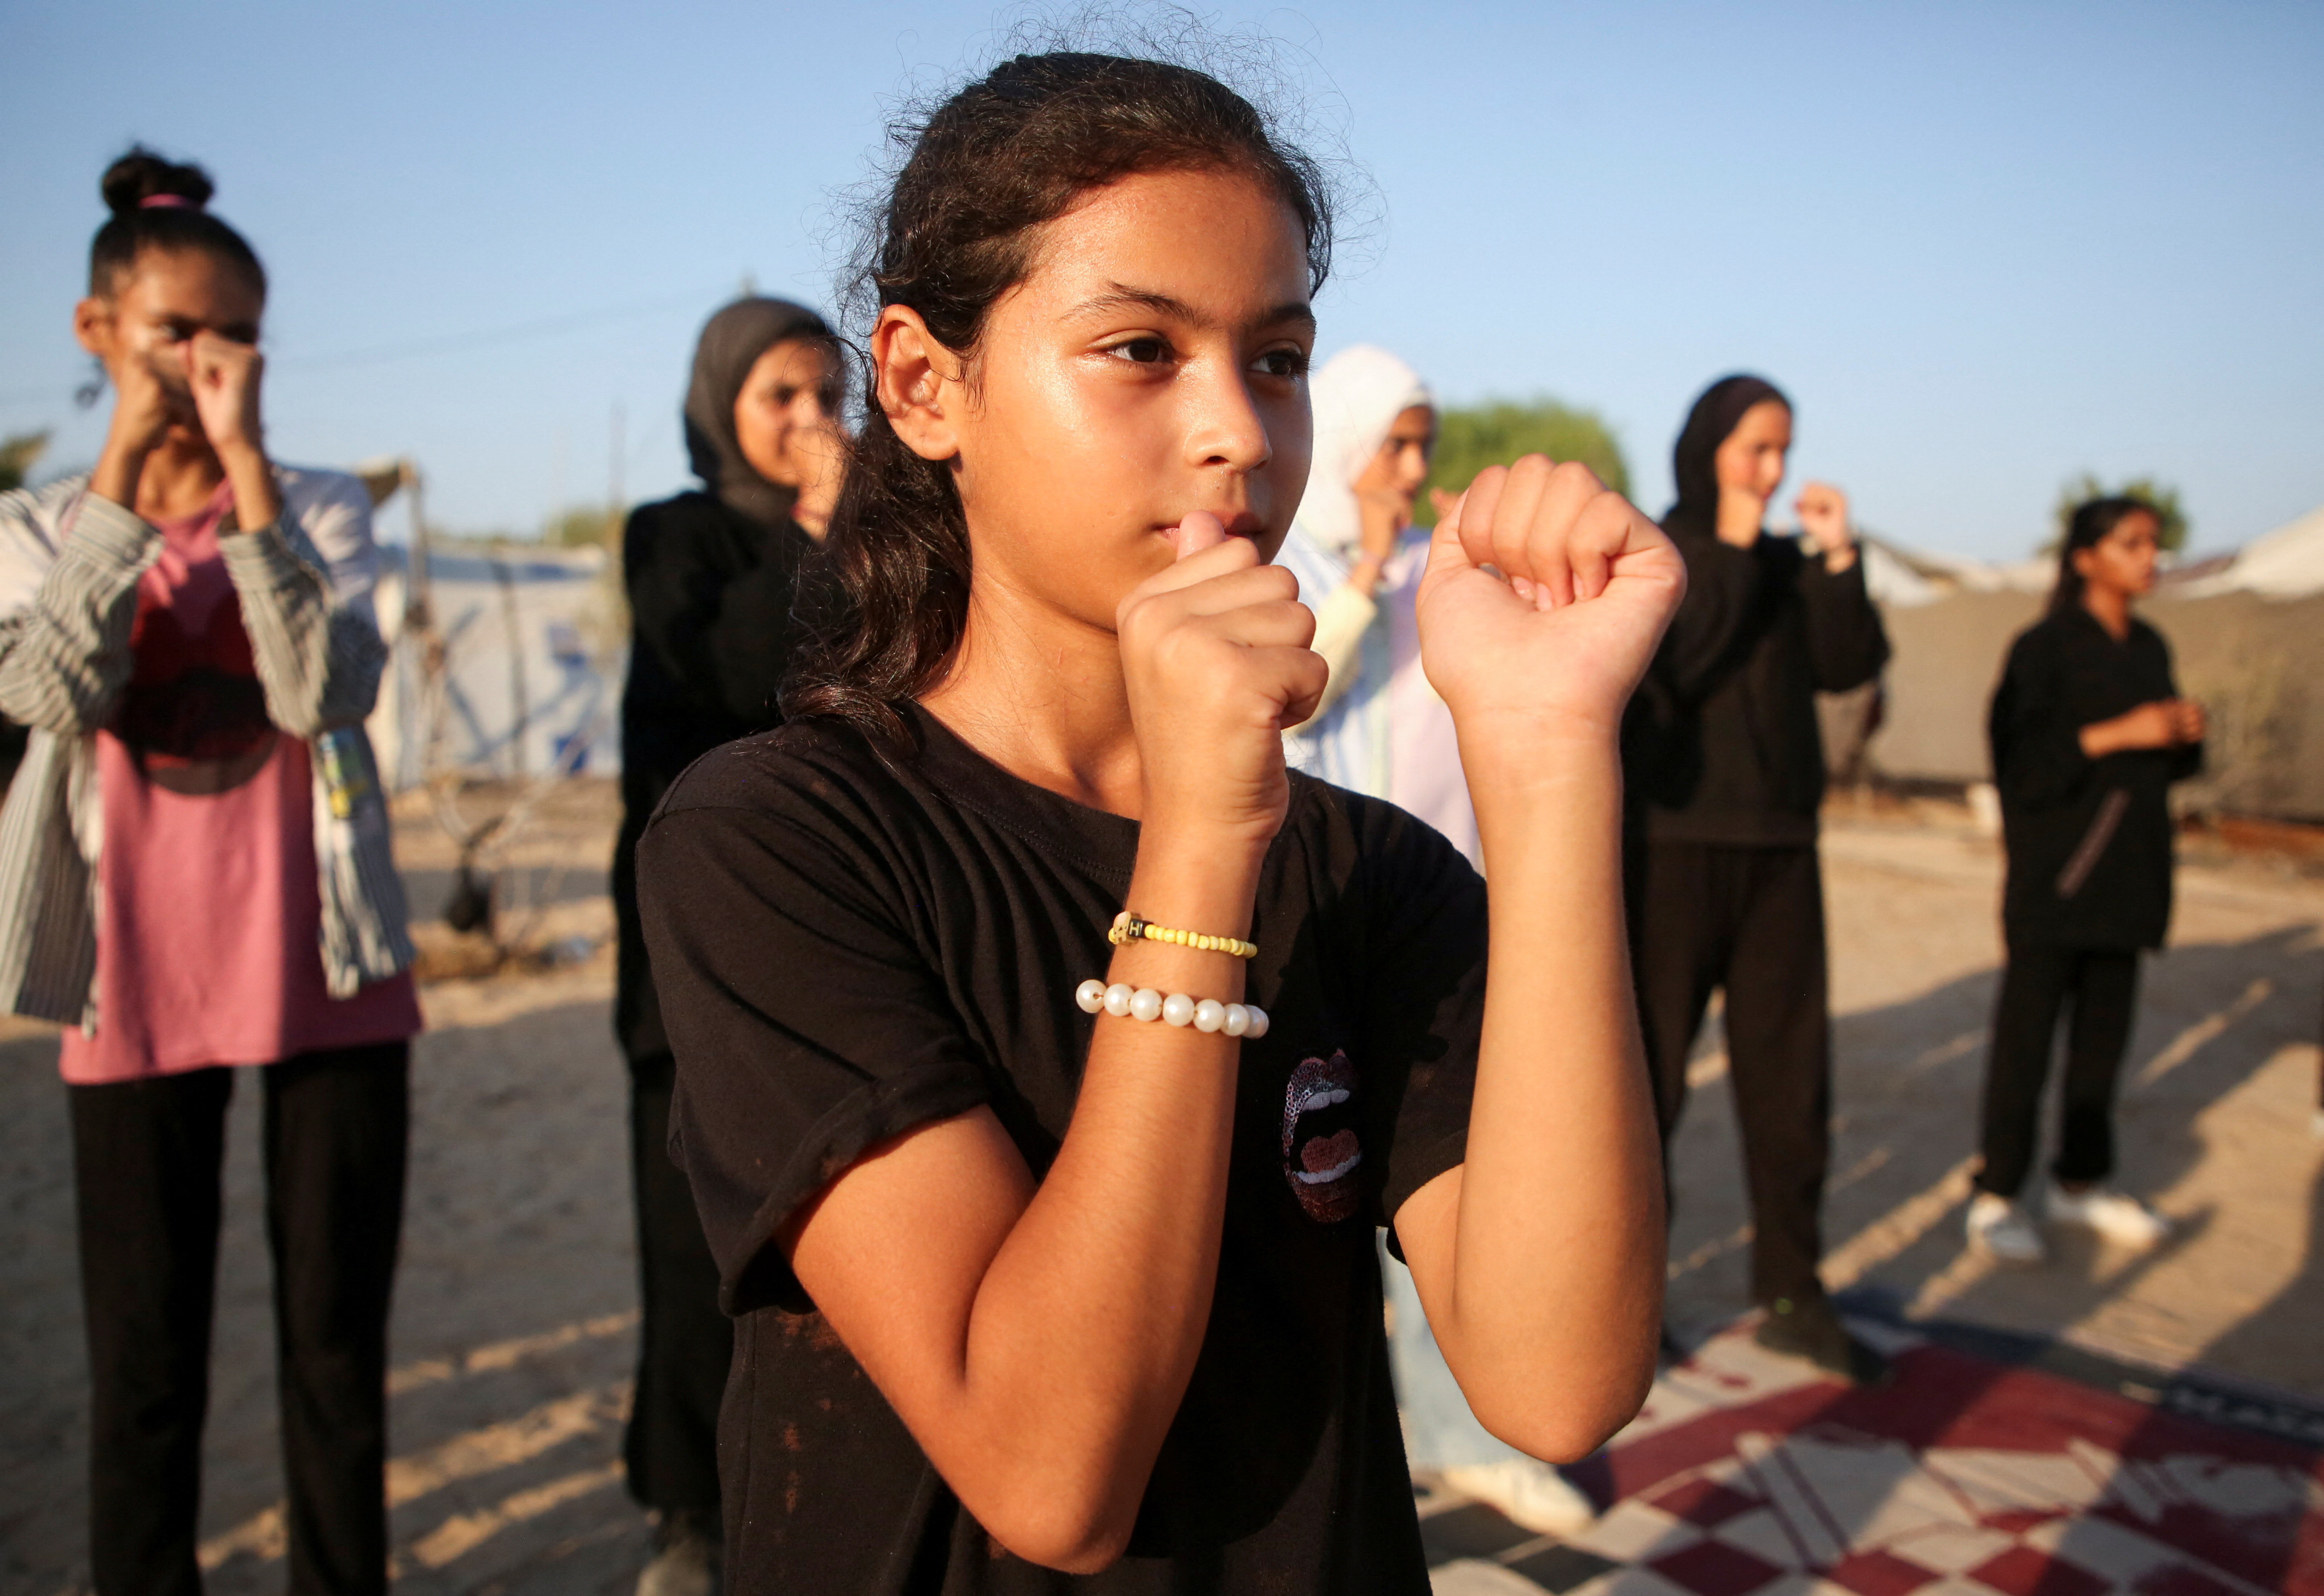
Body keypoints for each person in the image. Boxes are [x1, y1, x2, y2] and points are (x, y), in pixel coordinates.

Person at [634, 49, 1680, 1595]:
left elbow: (1559, 1380)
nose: (1241, 436)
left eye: (1274, 356)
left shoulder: (1367, 868)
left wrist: (1545, 752)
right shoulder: (779, 840)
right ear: (926, 386)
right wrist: (1198, 838)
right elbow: (1049, 1474)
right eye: (1139, 347)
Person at [0, 148, 419, 1596]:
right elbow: (50, 691)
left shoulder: (318, 504)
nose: (206, 361)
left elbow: (322, 692)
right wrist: (124, 476)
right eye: (176, 329)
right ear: (96, 331)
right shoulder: (36, 524)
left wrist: (246, 484)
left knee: (333, 1352)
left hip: (331, 968)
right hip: (131, 976)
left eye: (236, 333)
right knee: (146, 1364)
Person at [1278, 345, 1590, 1536]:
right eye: (1392, 445)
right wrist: (1358, 570)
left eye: (1422, 444)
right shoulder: (1281, 569)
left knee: (1447, 1182)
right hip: (1316, 922)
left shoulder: (1436, 573)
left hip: (1436, 918)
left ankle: (1466, 1434)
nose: (1411, 470)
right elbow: (1303, 691)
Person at [611, 295, 844, 1596]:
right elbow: (736, 680)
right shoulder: (680, 538)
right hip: (687, 946)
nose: (813, 424)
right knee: (684, 1243)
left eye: (829, 396)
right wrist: (823, 533)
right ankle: (684, 1506)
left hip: (825, 937)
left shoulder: (878, 543)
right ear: (724, 412)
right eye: (782, 401)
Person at [1621, 374, 1890, 1384]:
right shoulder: (1656, 552)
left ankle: (1791, 1291)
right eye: (1753, 451)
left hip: (1780, 851)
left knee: (1789, 1084)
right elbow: (1681, 661)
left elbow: (1842, 662)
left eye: (1781, 453)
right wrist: (1734, 541)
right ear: (1706, 449)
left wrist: (1834, 558)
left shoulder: (1784, 563)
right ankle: (1626, 1300)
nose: (1771, 473)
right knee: (1645, 1083)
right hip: (1673, 850)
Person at [1964, 497, 2201, 1264]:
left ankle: (2081, 1184)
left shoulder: (2151, 646)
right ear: (2084, 557)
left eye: (2152, 545)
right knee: (2026, 1047)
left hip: (2129, 885)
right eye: (2129, 544)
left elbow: (2166, 770)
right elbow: (2021, 763)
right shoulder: (2043, 648)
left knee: (2103, 1047)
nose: (2147, 558)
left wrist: (2180, 734)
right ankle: (1998, 1195)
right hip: (2055, 884)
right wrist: (2118, 733)